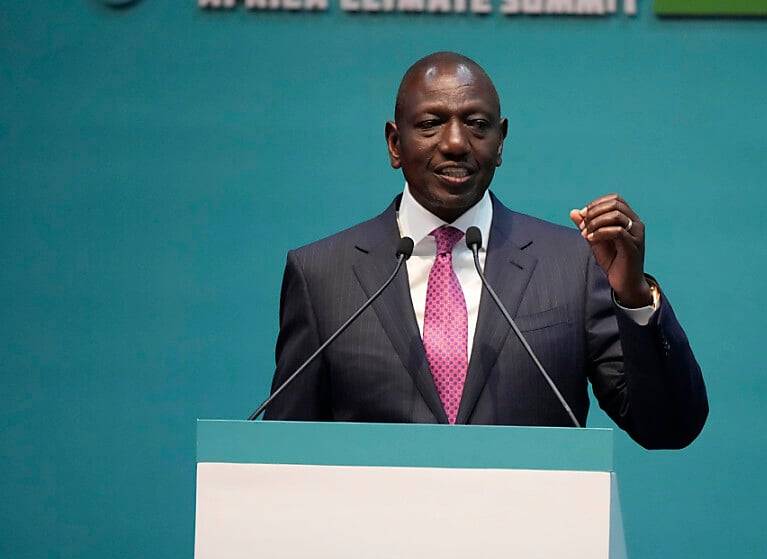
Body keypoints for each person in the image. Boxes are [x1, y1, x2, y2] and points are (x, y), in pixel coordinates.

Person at [266, 52, 708, 450]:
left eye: (477, 125)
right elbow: (282, 455)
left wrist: (632, 295)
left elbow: (667, 426)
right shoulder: (324, 275)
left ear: (501, 142)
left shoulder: (571, 265)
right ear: (395, 144)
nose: (456, 143)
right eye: (430, 123)